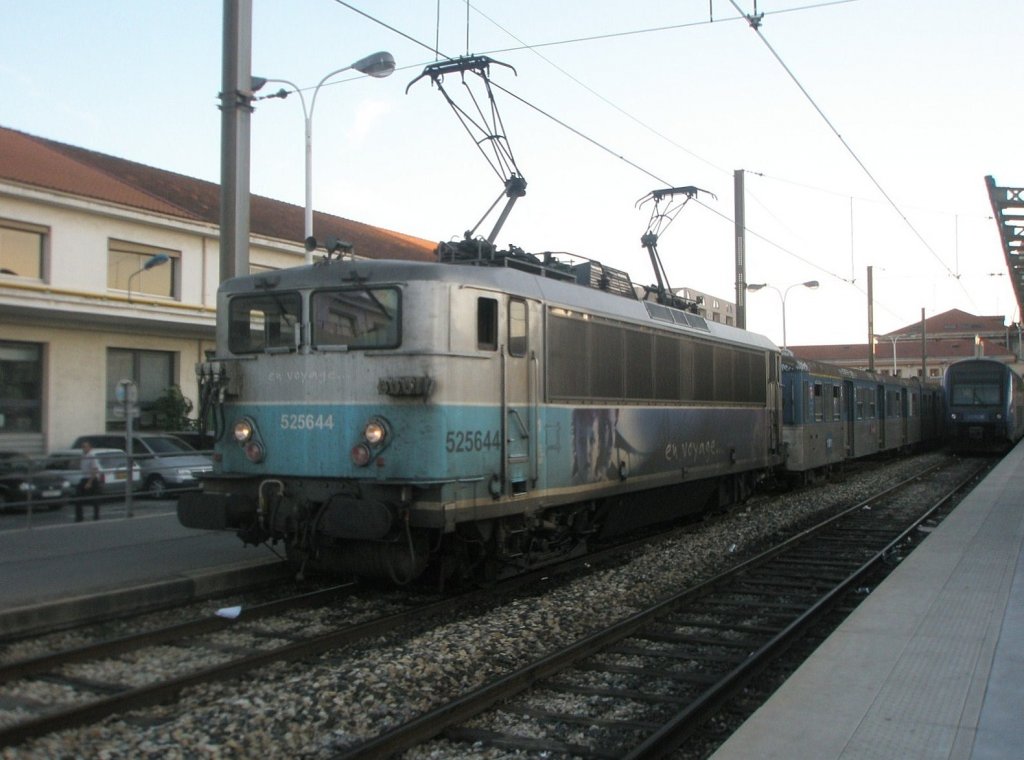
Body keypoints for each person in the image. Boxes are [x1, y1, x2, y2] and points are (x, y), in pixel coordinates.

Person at [76, 440, 102, 521]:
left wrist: (89, 483)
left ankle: (96, 517)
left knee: (95, 499)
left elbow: (95, 470)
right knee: (78, 498)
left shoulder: (92, 456)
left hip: (92, 479)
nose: (84, 448)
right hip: (84, 478)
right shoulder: (83, 456)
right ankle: (79, 518)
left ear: (90, 448)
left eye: (86, 446)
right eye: (83, 446)